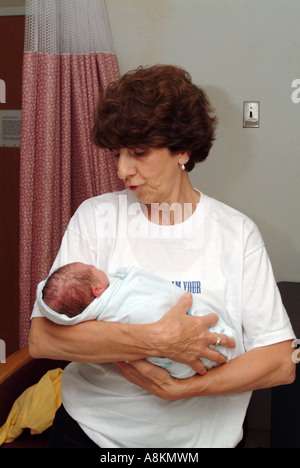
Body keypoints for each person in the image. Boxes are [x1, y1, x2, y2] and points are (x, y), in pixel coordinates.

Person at [29, 64, 295, 448]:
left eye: (138, 152)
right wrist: (155, 340)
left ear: (183, 149)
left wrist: (181, 390)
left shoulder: (235, 234)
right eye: (117, 153)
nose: (123, 169)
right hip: (92, 432)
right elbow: (44, 339)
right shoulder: (96, 217)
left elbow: (280, 361)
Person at [37, 262, 238, 378]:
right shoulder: (118, 303)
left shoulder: (97, 323)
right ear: (97, 291)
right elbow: (40, 343)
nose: (94, 265)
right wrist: (162, 338)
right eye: (92, 269)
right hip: (190, 360)